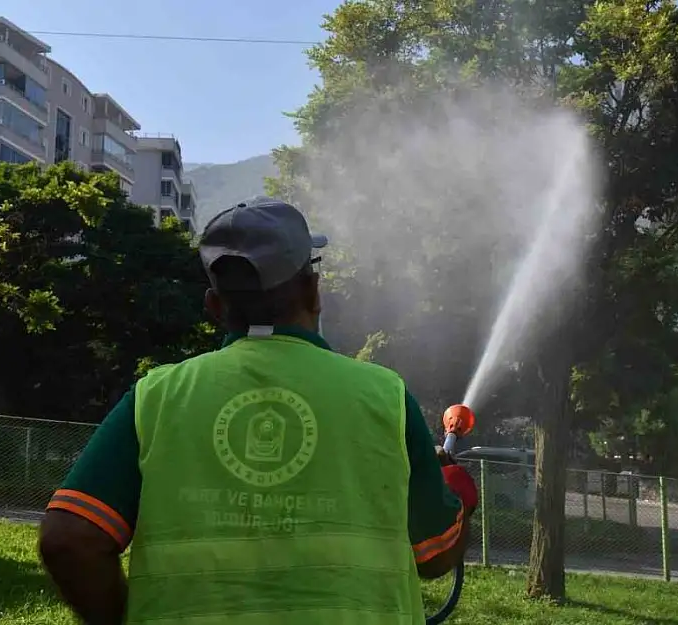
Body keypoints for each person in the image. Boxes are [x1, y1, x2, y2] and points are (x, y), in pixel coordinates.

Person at [38, 197, 479, 625]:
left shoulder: (157, 396)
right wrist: (459, 491)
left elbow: (69, 540)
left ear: (214, 306)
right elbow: (435, 553)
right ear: (313, 291)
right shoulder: (385, 396)